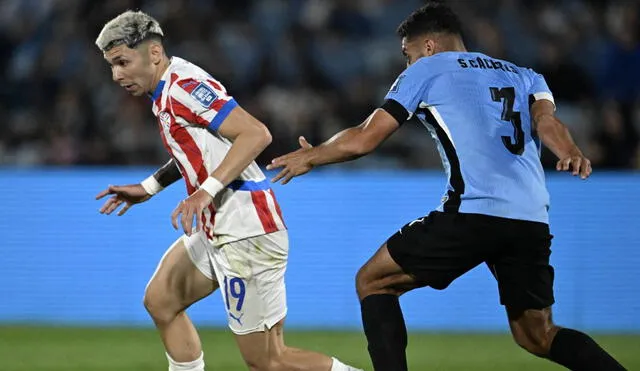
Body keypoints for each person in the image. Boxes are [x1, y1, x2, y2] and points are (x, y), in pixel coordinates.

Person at [267, 3, 626, 371]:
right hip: (531, 218)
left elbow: (364, 138)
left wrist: (312, 157)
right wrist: (569, 151)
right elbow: (547, 121)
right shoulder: (524, 75)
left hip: (474, 211)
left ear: (428, 46)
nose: (407, 65)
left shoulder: (427, 69)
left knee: (373, 281)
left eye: (407, 55)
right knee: (538, 335)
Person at [94, 10, 361, 371]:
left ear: (154, 53)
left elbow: (255, 133)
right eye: (112, 66)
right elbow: (197, 153)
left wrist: (204, 192)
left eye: (123, 62)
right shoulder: (165, 90)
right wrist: (149, 187)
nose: (117, 75)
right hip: (218, 225)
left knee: (269, 362)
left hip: (245, 231)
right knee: (161, 300)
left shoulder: (183, 88)